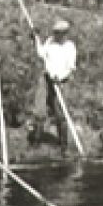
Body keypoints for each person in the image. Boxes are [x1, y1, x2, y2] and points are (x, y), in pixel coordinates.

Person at [34, 19, 77, 150]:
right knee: (39, 110)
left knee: (60, 113)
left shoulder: (70, 47)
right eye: (55, 32)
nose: (56, 35)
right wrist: (36, 38)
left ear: (65, 34)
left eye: (59, 33)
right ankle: (36, 140)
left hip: (62, 81)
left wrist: (60, 77)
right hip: (47, 79)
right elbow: (41, 54)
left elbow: (70, 67)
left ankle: (63, 144)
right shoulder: (50, 41)